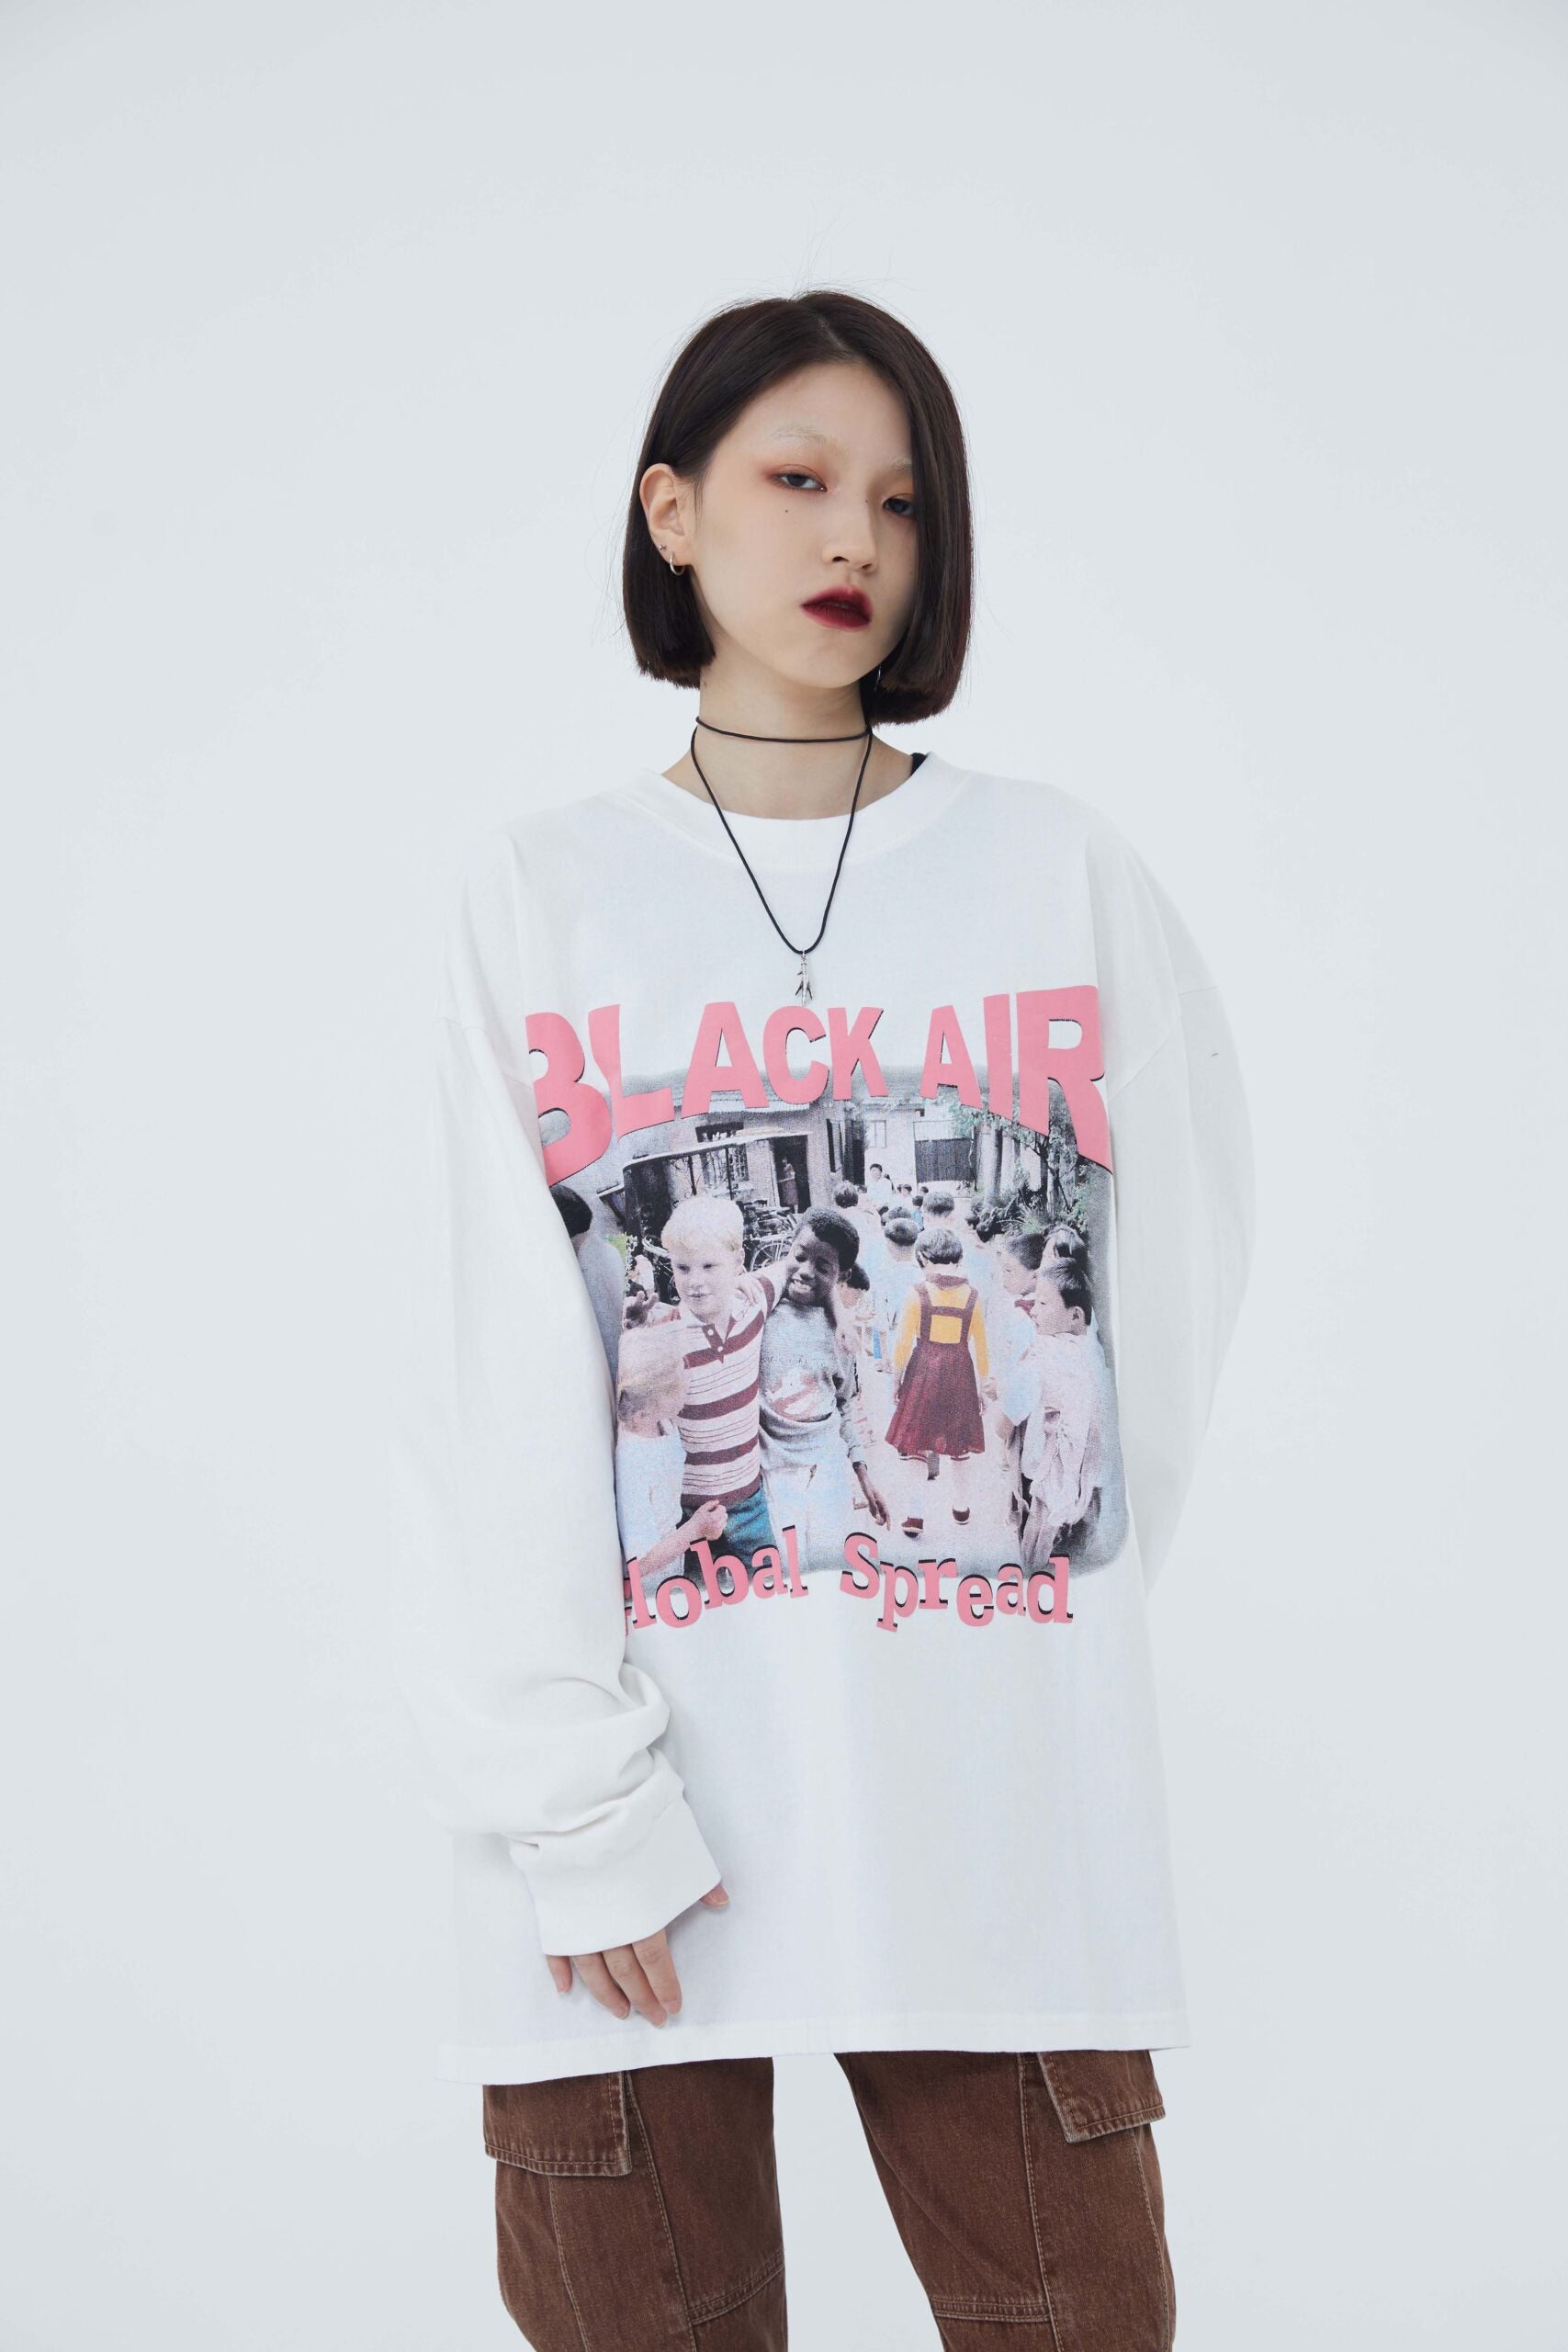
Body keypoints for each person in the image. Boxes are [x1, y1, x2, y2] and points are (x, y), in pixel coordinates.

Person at [387, 288, 1256, 2349]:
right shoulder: (539, 894)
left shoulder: (1056, 871)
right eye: (795, 478)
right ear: (671, 512)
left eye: (900, 497)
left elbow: (1167, 1303)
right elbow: (480, 1378)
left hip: (993, 1808)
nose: (854, 534)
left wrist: (1017, 1642)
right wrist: (578, 1807)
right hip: (624, 1848)